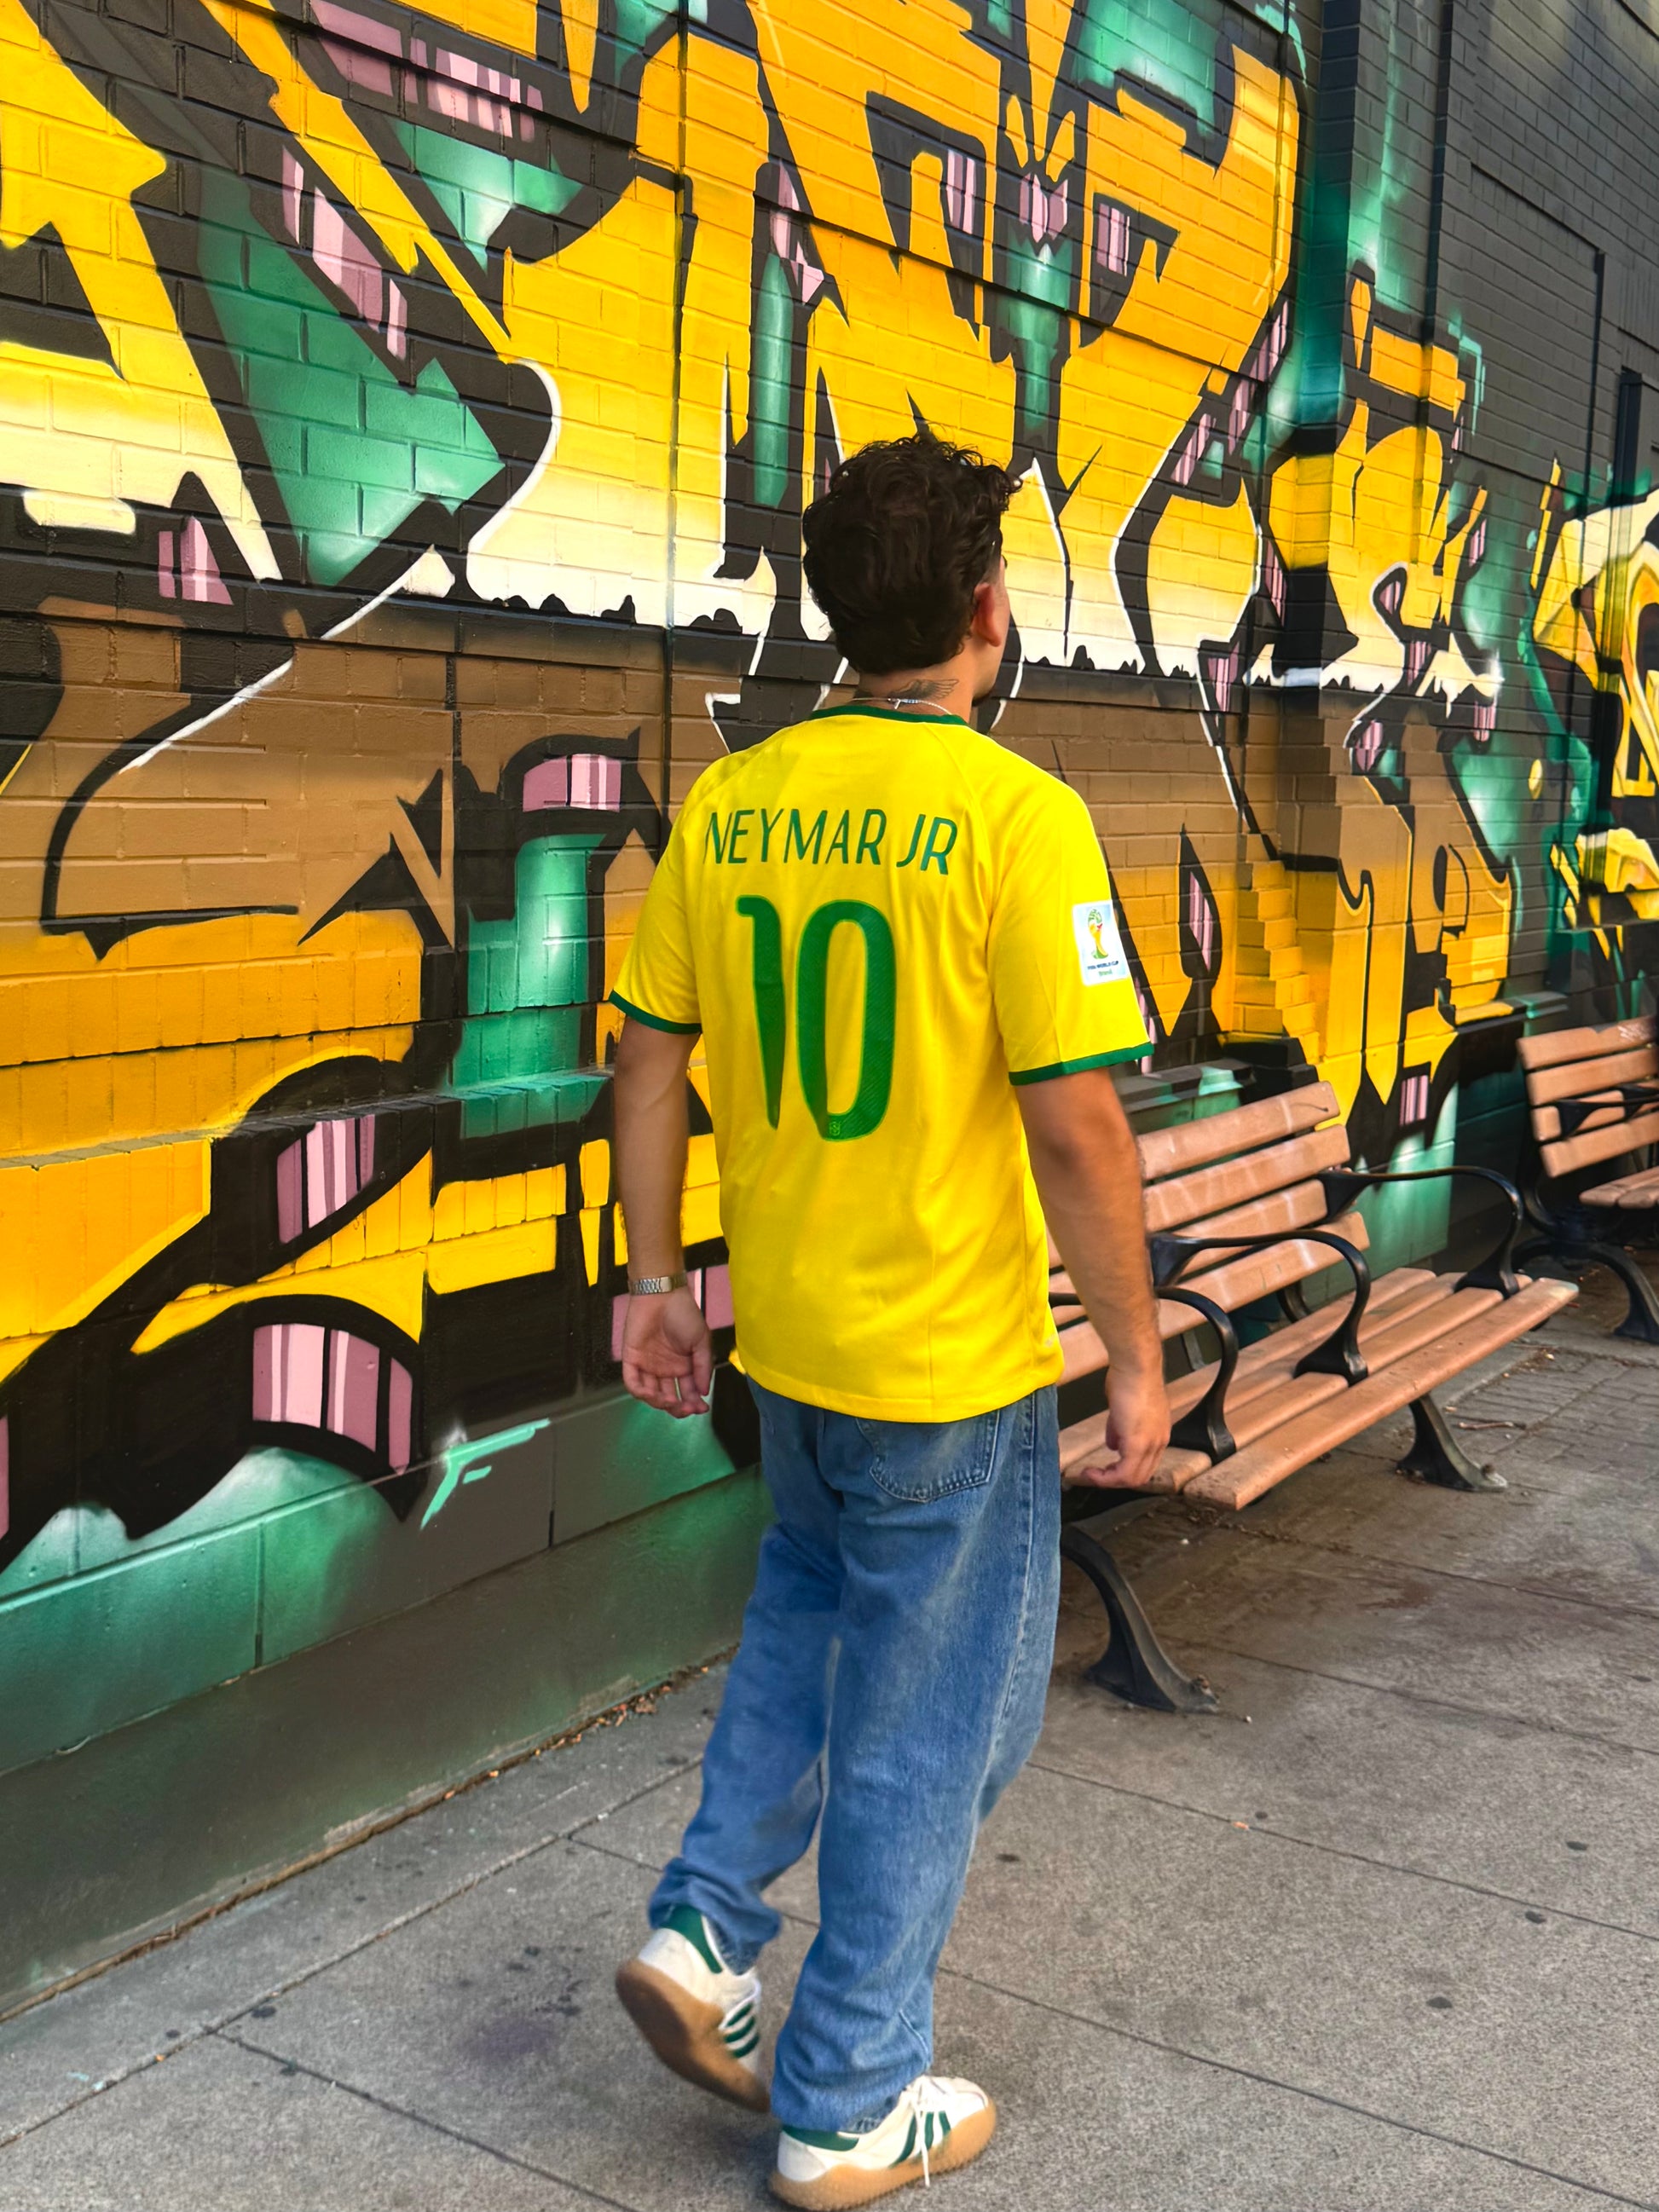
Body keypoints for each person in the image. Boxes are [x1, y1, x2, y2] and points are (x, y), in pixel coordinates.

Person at [606, 432, 1169, 2208]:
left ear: (838, 612)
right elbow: (1078, 1125)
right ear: (988, 610)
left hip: (794, 1354)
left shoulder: (734, 803)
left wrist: (652, 1285)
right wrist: (1139, 1353)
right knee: (941, 1731)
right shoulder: (1016, 818)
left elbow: (645, 1062)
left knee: (803, 1630)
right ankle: (849, 2094)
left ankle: (707, 1927)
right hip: (948, 1372)